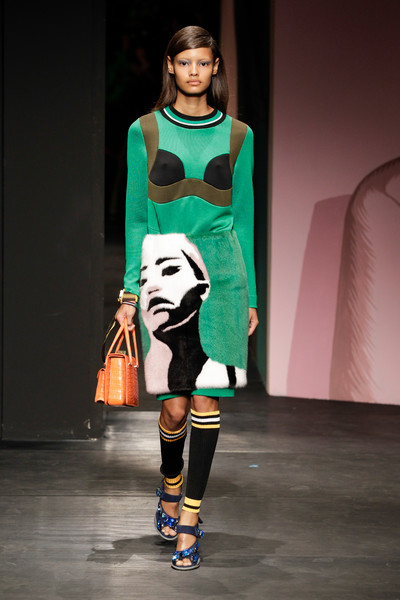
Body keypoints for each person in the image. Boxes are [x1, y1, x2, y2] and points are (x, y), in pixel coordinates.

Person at [115, 25, 258, 570]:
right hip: (163, 269)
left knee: (205, 402)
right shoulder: (145, 130)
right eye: (185, 62)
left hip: (222, 270)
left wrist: (250, 295)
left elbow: (243, 219)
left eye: (203, 62)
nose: (194, 71)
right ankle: (170, 482)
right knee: (174, 407)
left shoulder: (239, 135)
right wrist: (130, 290)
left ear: (215, 67)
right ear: (171, 67)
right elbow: (135, 215)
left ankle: (190, 520)